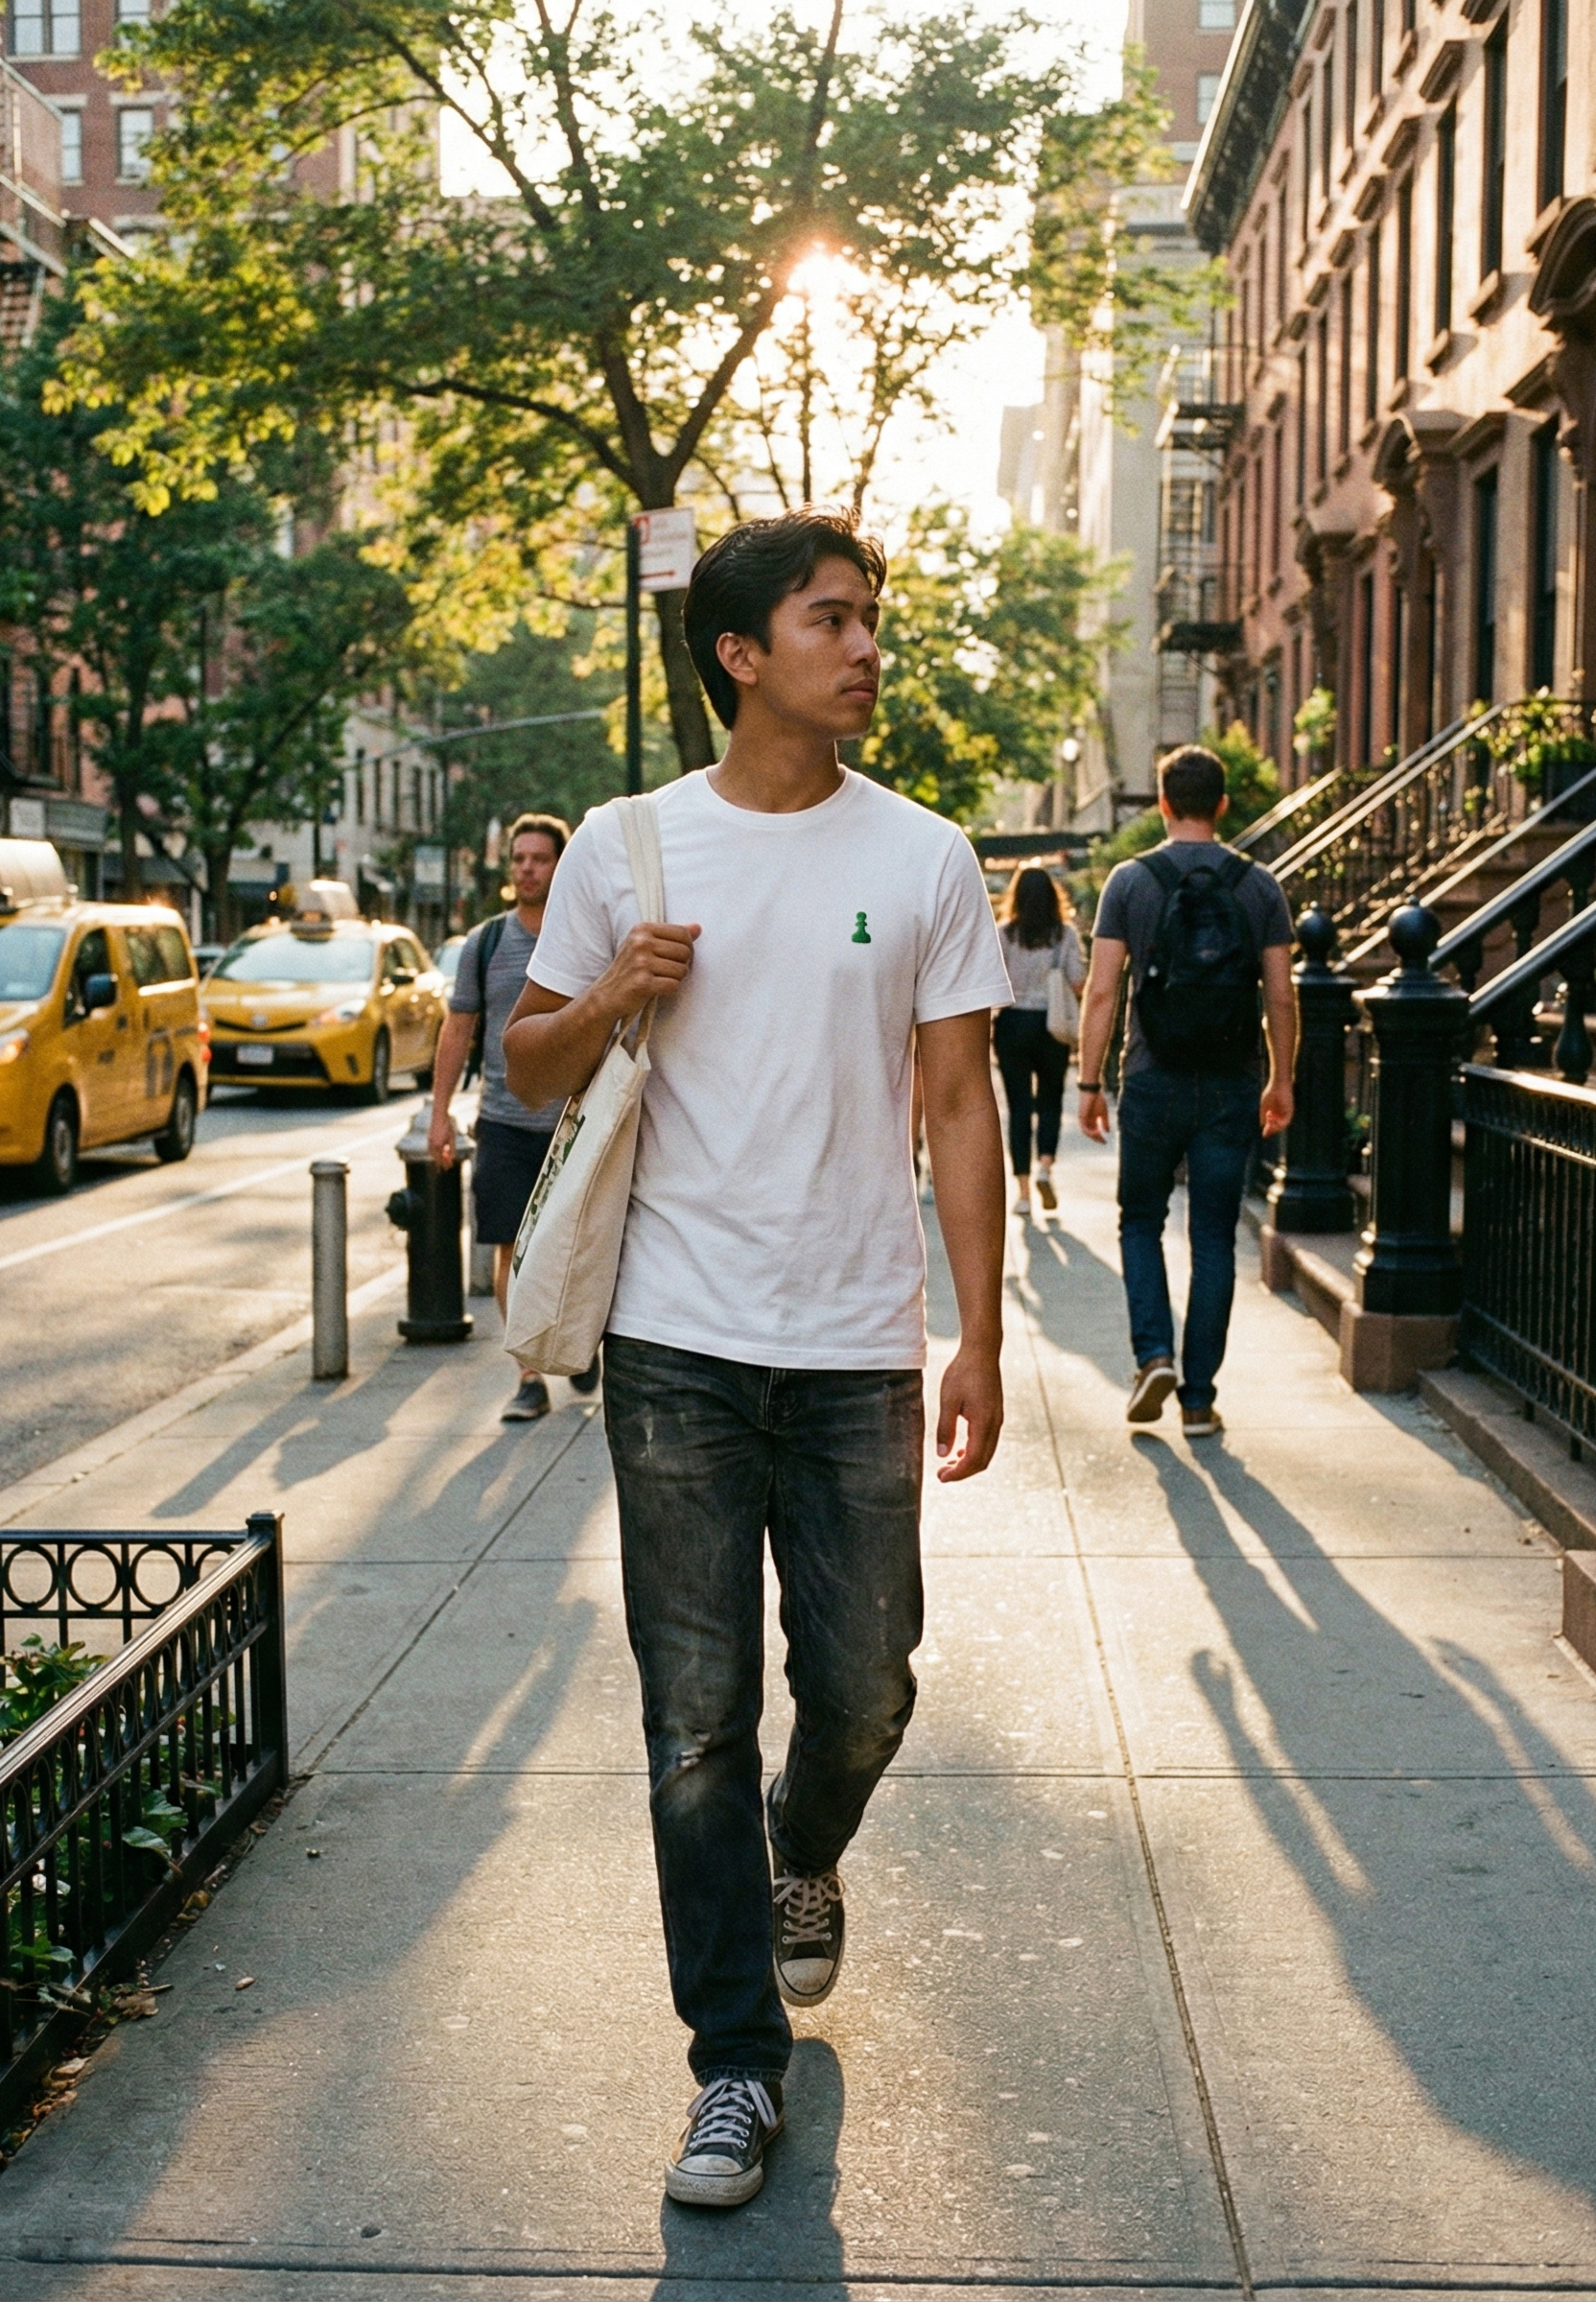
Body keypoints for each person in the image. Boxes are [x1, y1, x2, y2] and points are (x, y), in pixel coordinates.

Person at [503, 508, 1010, 2210]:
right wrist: (610, 996)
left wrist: (980, 1336)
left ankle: (807, 1857)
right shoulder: (629, 849)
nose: (867, 648)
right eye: (832, 621)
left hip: (859, 1342)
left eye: (872, 620)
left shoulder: (926, 855)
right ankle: (734, 2065)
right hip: (678, 1352)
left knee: (865, 1686)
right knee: (692, 1723)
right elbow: (526, 1069)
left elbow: (956, 1104)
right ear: (739, 655)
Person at [1076, 743, 1296, 1439]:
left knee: (1140, 1221)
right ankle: (1198, 1398)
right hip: (1231, 1086)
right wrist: (1280, 1077)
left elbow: (1104, 989)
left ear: (1163, 804)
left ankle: (1153, 1354)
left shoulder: (1131, 882)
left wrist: (1088, 1081)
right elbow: (1283, 995)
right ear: (1222, 806)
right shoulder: (1258, 886)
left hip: (1150, 1080)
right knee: (1212, 1239)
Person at [427, 811, 596, 1421]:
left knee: (580, 1250)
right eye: (519, 858)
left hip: (575, 1124)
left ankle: (580, 1343)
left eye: (540, 858)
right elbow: (459, 1027)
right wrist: (439, 1113)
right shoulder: (486, 943)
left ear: (561, 864)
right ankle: (528, 1373)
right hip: (501, 1121)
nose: (527, 868)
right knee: (508, 1250)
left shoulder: (586, 935)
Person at [994, 867, 1085, 1217]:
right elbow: (1078, 982)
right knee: (1050, 1099)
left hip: (1013, 1023)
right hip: (1052, 1025)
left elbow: (991, 981)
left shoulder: (1004, 935)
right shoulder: (1065, 935)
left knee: (1018, 1107)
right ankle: (1046, 1166)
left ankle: (1022, 1193)